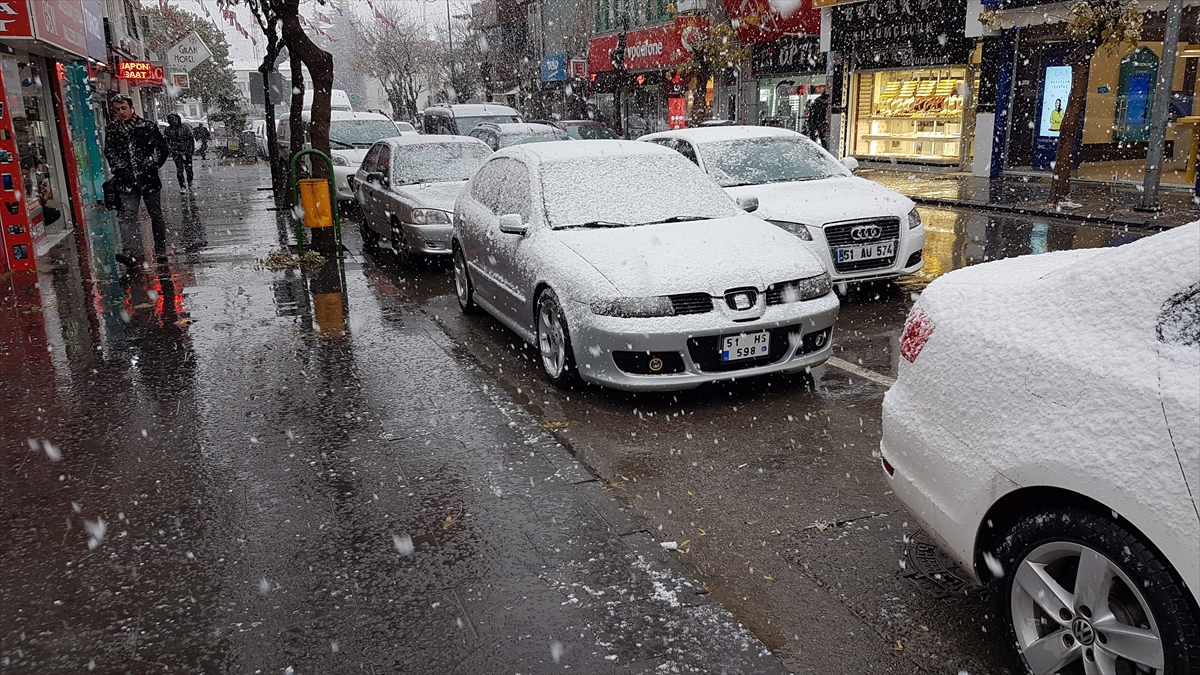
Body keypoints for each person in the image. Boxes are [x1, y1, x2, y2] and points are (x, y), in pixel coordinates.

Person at [104, 94, 169, 271]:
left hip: (148, 179)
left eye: (124, 108)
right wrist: (118, 168)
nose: (121, 112)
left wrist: (152, 163)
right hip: (126, 181)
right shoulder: (113, 129)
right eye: (117, 110)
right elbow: (109, 151)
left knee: (155, 214)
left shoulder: (146, 127)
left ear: (131, 107)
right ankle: (129, 252)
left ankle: (160, 247)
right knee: (128, 216)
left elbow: (162, 148)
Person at [163, 114, 195, 192]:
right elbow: (166, 141)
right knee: (180, 169)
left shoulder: (184, 127)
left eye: (176, 120)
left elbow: (191, 138)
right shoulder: (168, 130)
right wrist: (171, 149)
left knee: (189, 169)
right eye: (172, 120)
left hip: (187, 151)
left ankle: (190, 182)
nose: (174, 121)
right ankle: (182, 186)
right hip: (176, 152)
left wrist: (190, 150)